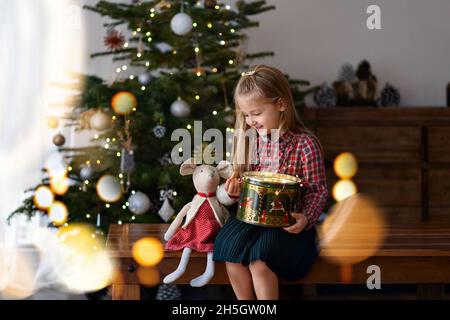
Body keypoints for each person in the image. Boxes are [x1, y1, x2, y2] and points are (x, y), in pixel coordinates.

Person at [213, 64, 328, 300]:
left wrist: (305, 217)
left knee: (259, 261)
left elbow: (318, 191)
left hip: (287, 224)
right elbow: (246, 187)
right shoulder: (250, 142)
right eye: (246, 115)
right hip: (253, 220)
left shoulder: (305, 145)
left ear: (281, 104)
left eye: (256, 113)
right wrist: (234, 192)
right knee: (228, 248)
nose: (251, 121)